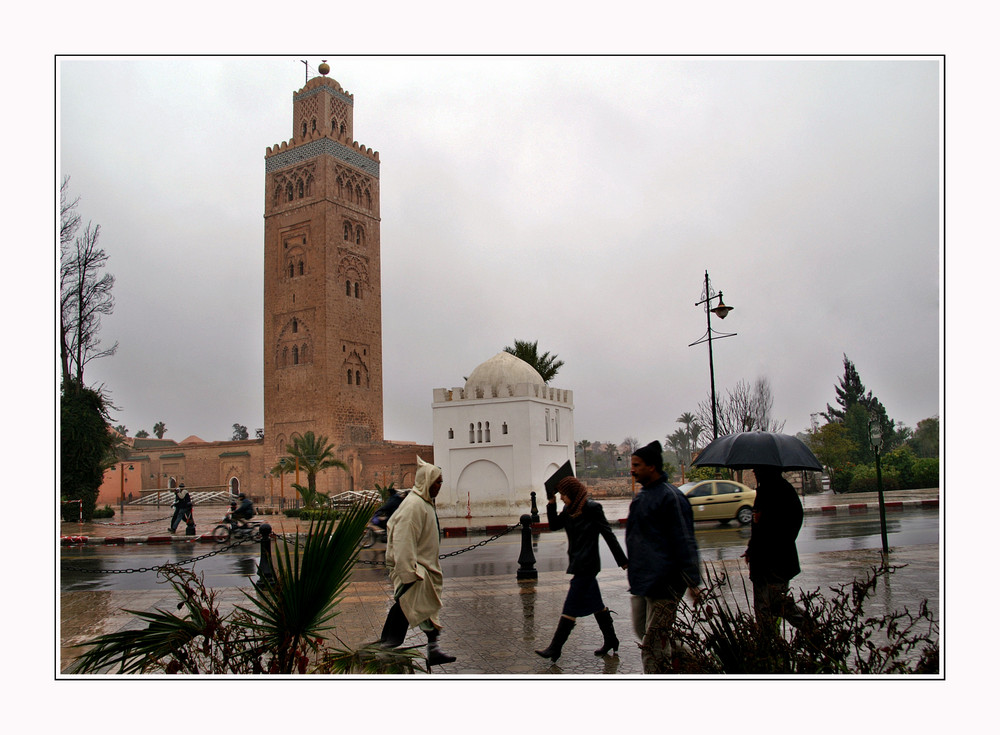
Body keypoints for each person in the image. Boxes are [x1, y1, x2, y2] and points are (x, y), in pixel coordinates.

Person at [625, 441, 702, 673]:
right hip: (643, 582)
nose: (632, 470)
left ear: (652, 466)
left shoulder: (672, 498)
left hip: (666, 583)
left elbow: (685, 540)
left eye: (637, 465)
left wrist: (692, 581)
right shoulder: (642, 497)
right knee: (645, 632)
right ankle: (695, 666)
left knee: (652, 645)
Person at [535, 475, 629, 663]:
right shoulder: (569, 509)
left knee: (570, 606)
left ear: (572, 493)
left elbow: (608, 534)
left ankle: (555, 647)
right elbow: (554, 526)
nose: (562, 497)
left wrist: (623, 561)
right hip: (577, 562)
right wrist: (551, 503)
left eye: (563, 494)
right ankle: (611, 639)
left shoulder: (592, 508)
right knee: (596, 604)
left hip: (588, 565)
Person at [377, 457, 456, 667]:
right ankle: (384, 649)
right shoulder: (413, 506)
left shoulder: (424, 503)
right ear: (427, 482)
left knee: (427, 609)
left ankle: (433, 650)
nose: (440, 486)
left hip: (426, 567)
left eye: (441, 482)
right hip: (415, 569)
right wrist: (408, 572)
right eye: (437, 482)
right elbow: (403, 541)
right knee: (406, 606)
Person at [743, 465, 806, 629]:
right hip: (765, 563)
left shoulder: (780, 491)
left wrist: (775, 542)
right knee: (766, 608)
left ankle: (810, 629)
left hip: (775, 563)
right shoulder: (766, 491)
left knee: (774, 605)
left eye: (757, 469)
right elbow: (757, 527)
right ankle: (772, 644)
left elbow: (790, 523)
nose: (754, 472)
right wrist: (752, 548)